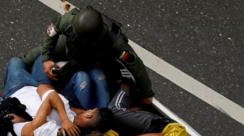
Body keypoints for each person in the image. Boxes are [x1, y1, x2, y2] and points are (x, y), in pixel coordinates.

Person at [23, 5, 154, 106]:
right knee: (33, 55)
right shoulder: (69, 20)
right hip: (70, 47)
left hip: (94, 59)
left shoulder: (115, 43)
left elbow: (136, 66)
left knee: (103, 81)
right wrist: (46, 58)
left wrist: (146, 94)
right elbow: (52, 31)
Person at [2, 57, 113, 136]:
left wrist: (64, 119)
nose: (88, 109)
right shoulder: (68, 133)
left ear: (88, 115)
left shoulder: (59, 116)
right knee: (37, 61)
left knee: (16, 61)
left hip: (17, 90)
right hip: (31, 90)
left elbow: (45, 91)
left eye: (90, 110)